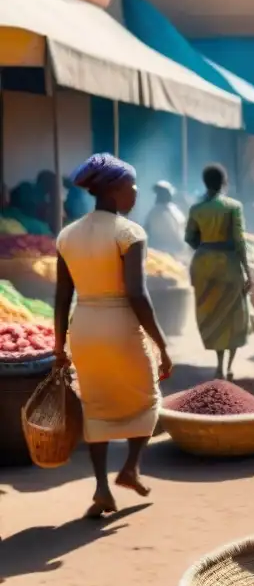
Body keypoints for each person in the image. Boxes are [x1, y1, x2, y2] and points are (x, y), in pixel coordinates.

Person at [53, 154, 172, 518]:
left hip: (84, 327)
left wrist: (59, 345)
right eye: (132, 185)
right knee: (148, 396)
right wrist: (162, 344)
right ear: (116, 189)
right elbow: (137, 294)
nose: (136, 192)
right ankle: (131, 466)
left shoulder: (67, 235)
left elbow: (61, 296)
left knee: (96, 405)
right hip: (120, 325)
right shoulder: (129, 233)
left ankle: (102, 489)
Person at [184, 164, 252, 379]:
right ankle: (228, 367)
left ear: (205, 183)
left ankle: (218, 364)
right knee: (232, 315)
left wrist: (205, 248)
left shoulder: (196, 209)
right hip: (227, 265)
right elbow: (240, 240)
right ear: (225, 182)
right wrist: (248, 270)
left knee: (211, 313)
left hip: (203, 265)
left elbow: (189, 237)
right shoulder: (233, 207)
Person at [144, 181, 188, 257]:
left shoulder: (172, 211)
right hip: (160, 252)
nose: (158, 196)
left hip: (171, 253)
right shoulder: (155, 211)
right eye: (158, 193)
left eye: (161, 193)